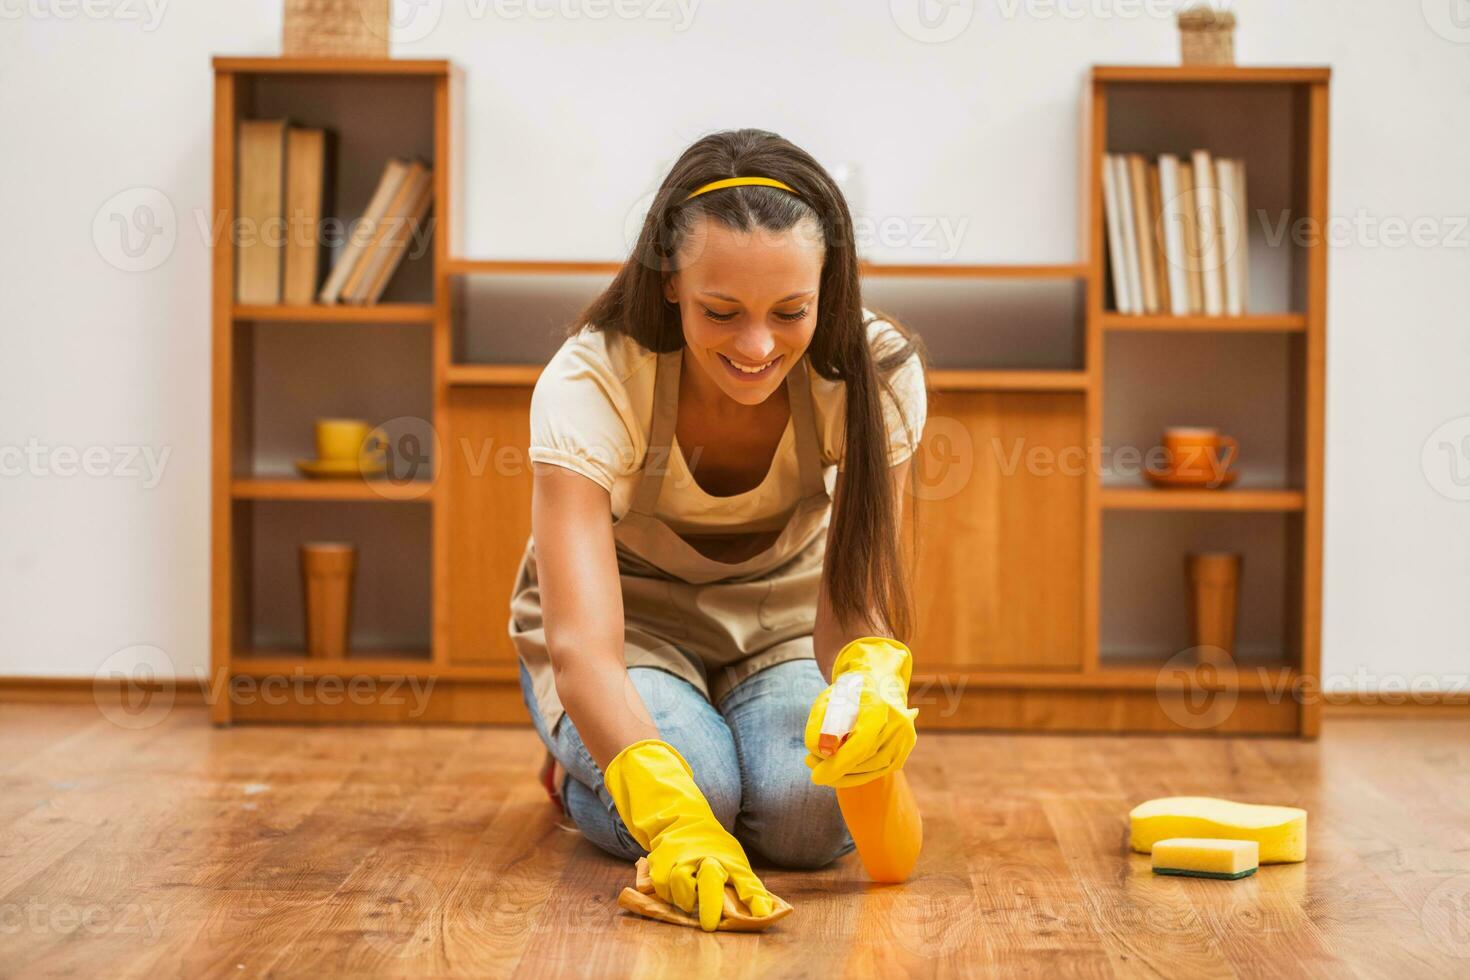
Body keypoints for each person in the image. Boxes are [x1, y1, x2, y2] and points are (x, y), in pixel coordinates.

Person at [508, 127, 928, 931]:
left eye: (790, 311)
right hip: (631, 636)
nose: (758, 345)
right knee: (697, 792)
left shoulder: (874, 375)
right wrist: (675, 821)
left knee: (808, 820)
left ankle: (629, 771)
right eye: (722, 311)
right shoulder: (592, 378)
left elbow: (856, 604)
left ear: (827, 288)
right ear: (669, 281)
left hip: (783, 631)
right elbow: (584, 650)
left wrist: (870, 680)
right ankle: (578, 774)